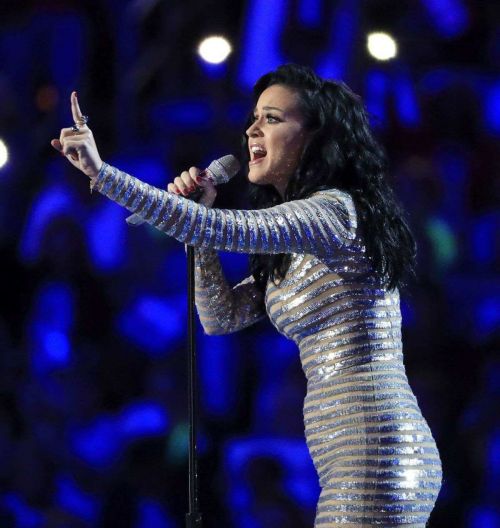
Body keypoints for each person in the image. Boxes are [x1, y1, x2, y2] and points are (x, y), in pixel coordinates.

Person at [51, 64, 442, 526]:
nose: (253, 128)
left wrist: (104, 174)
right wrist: (199, 223)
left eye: (273, 118)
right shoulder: (297, 244)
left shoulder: (334, 211)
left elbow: (221, 228)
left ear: (316, 138)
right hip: (344, 450)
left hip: (376, 444)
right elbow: (220, 317)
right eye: (254, 117)